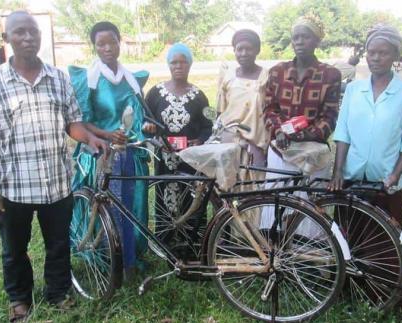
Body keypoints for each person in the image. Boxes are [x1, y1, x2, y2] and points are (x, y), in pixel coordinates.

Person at [0, 11, 107, 323]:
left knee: (58, 245)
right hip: (13, 186)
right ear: (7, 38)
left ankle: (58, 293)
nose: (28, 38)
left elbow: (73, 125)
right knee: (14, 249)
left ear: (40, 36)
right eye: (19, 32)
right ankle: (19, 300)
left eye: (33, 32)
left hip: (57, 184)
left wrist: (90, 139)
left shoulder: (59, 79)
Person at [68, 21, 150, 273]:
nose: (107, 48)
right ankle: (103, 257)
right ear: (94, 47)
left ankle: (129, 255)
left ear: (119, 42)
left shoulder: (131, 80)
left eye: (111, 42)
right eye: (100, 44)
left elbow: (138, 114)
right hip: (101, 152)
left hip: (129, 152)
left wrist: (143, 129)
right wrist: (107, 134)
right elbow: (80, 120)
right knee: (104, 204)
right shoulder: (88, 80)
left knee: (131, 204)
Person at [329, 24, 402, 227]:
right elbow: (343, 133)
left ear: (396, 56)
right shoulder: (354, 89)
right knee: (347, 238)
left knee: (384, 244)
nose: (376, 58)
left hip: (385, 180)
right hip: (352, 175)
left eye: (383, 53)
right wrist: (338, 172)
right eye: (371, 53)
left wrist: (395, 175)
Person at [144, 43, 212, 257]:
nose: (179, 66)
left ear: (190, 64)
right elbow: (144, 122)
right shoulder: (155, 93)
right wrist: (149, 129)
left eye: (183, 62)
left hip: (190, 159)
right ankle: (165, 241)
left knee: (193, 196)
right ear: (168, 64)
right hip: (165, 156)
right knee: (165, 194)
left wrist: (200, 141)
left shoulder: (199, 96)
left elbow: (208, 125)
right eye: (174, 62)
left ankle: (193, 243)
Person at [264, 14, 342, 178]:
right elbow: (270, 109)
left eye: (305, 37)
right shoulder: (277, 72)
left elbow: (330, 117)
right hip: (280, 150)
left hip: (313, 154)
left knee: (307, 203)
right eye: (295, 37)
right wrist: (279, 131)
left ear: (317, 41)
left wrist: (304, 135)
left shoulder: (330, 75)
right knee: (277, 200)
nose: (299, 41)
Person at [216, 29, 270, 169]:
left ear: (257, 50)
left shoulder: (266, 77)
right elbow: (220, 111)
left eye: (249, 49)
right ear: (234, 51)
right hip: (229, 141)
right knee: (228, 184)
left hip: (256, 143)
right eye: (239, 49)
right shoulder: (228, 77)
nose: (244, 54)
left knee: (254, 185)